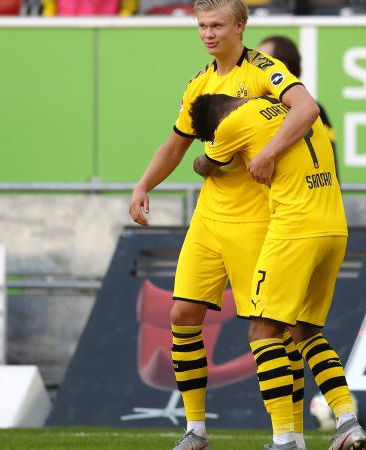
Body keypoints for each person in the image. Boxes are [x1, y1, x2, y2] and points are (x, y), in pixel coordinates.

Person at [127, 0, 320, 448]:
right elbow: (175, 147)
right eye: (201, 26)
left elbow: (306, 109)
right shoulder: (200, 83)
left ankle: (288, 435)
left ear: (240, 25)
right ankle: (195, 430)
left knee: (272, 328)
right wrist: (142, 186)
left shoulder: (263, 71)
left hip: (258, 217)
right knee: (182, 314)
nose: (208, 34)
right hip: (210, 218)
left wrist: (270, 153)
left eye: (216, 25)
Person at [189, 93, 366, 450]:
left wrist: (208, 152)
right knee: (306, 332)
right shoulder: (297, 109)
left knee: (262, 330)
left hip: (294, 230)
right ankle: (347, 421)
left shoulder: (231, 126)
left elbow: (205, 165)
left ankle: (285, 439)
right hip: (335, 226)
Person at [257, 35, 340, 180]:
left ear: (282, 66)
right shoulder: (251, 106)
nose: (254, 67)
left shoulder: (312, 109)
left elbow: (329, 163)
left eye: (263, 61)